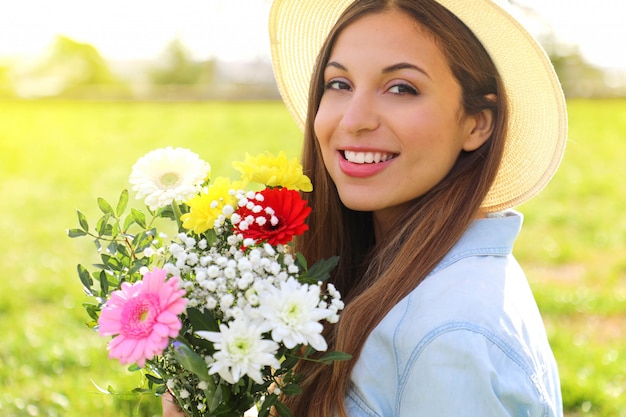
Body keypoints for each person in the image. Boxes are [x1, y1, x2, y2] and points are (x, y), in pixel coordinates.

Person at [164, 0, 567, 416]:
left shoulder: (448, 336)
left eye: (401, 88)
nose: (355, 119)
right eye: (339, 84)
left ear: (477, 123)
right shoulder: (391, 272)